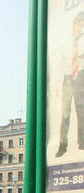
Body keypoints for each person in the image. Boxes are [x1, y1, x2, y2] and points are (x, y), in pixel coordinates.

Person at [55, 11, 84, 157]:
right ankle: (62, 144)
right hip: (67, 78)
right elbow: (59, 62)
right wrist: (57, 84)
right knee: (65, 113)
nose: (81, 30)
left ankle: (82, 141)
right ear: (75, 25)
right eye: (80, 26)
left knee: (81, 110)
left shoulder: (83, 40)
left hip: (80, 77)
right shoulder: (65, 41)